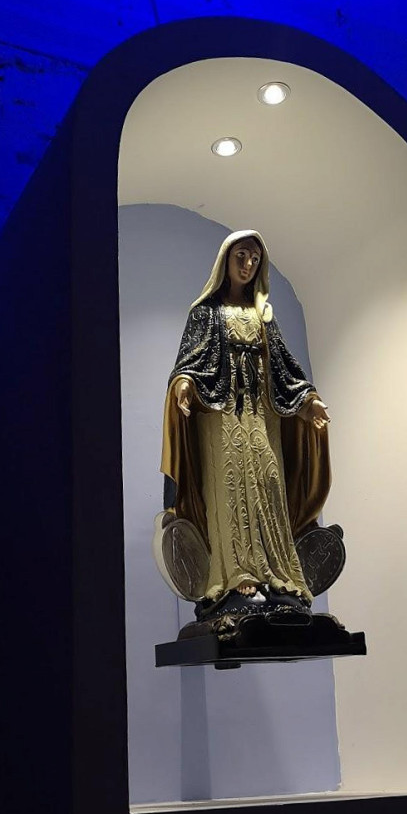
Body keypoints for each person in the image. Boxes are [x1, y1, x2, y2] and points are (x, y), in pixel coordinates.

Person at [160, 229, 331, 618]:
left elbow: (284, 369)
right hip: (220, 415)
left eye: (254, 257)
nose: (248, 263)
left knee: (269, 485)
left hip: (262, 416)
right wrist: (184, 384)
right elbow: (190, 360)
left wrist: (308, 402)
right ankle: (236, 575)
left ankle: (279, 575)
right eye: (241, 255)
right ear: (226, 259)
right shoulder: (206, 312)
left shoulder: (263, 315)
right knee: (231, 488)